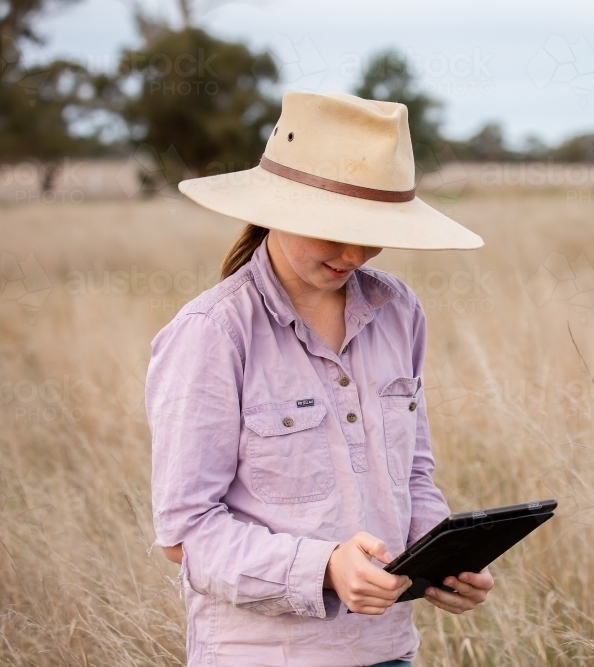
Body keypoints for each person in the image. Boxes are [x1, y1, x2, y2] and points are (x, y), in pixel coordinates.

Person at [147, 91, 489, 667]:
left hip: (387, 651)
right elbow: (185, 536)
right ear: (278, 210)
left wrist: (440, 559)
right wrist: (324, 567)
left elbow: (413, 472)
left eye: (374, 228)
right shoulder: (212, 332)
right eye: (333, 228)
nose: (354, 252)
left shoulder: (398, 311)